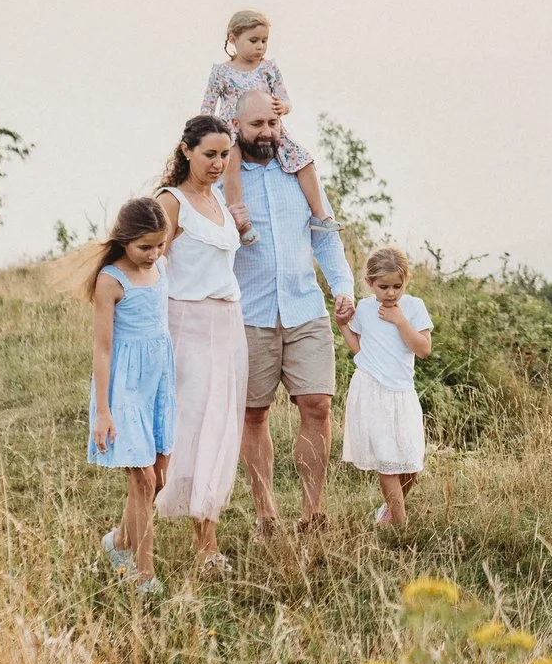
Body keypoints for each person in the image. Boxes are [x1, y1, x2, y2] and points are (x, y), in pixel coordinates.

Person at [230, 90, 356, 531]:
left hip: (305, 308)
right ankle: (266, 513)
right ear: (237, 127)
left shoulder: (300, 173)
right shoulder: (224, 178)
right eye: (256, 125)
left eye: (272, 124)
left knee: (318, 404)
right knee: (253, 413)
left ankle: (311, 512)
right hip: (249, 313)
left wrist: (342, 286)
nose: (266, 133)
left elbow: (324, 235)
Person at [152, 115, 251, 574]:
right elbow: (148, 265)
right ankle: (132, 535)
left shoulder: (219, 202)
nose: (217, 163)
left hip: (226, 322)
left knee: (220, 426)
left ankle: (206, 542)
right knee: (181, 430)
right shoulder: (171, 203)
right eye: (209, 154)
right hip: (184, 323)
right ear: (186, 150)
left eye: (224, 155)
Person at [84, 198, 175, 595]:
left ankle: (119, 540)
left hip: (158, 382)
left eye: (160, 245)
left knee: (158, 479)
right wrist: (103, 411)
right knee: (142, 480)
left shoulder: (160, 268)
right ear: (124, 241)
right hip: (124, 389)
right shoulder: (110, 281)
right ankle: (144, 576)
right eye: (144, 247)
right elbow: (103, 350)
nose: (153, 254)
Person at [200, 9, 335, 223]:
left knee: (303, 158)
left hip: (269, 129)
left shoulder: (268, 68)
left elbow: (285, 99)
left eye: (264, 40)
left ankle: (320, 214)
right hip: (233, 130)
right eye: (253, 40)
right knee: (231, 162)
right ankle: (238, 217)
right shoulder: (221, 72)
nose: (260, 46)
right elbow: (208, 107)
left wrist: (283, 107)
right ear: (233, 39)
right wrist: (209, 135)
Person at [342, 245, 432, 528]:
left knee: (411, 463)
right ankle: (402, 528)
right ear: (370, 283)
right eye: (383, 287)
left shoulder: (414, 307)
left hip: (402, 393)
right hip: (371, 389)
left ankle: (389, 511)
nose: (391, 293)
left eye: (397, 286)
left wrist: (400, 320)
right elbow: (359, 350)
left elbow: (424, 349)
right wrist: (342, 325)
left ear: (406, 280)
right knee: (388, 462)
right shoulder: (365, 309)